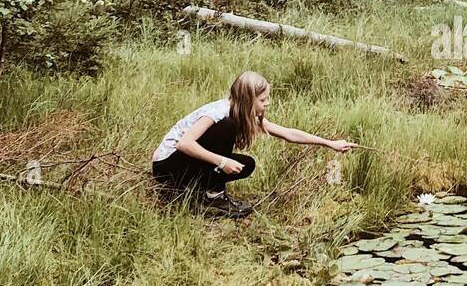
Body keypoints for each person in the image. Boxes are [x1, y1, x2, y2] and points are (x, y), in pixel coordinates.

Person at [151, 71, 355, 217]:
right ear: (248, 99)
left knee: (246, 164)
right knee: (227, 128)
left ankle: (192, 193)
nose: (267, 103)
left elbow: (287, 133)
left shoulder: (242, 113)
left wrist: (330, 144)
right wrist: (222, 162)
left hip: (185, 166)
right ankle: (213, 196)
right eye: (263, 100)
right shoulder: (218, 113)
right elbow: (185, 144)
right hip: (167, 166)